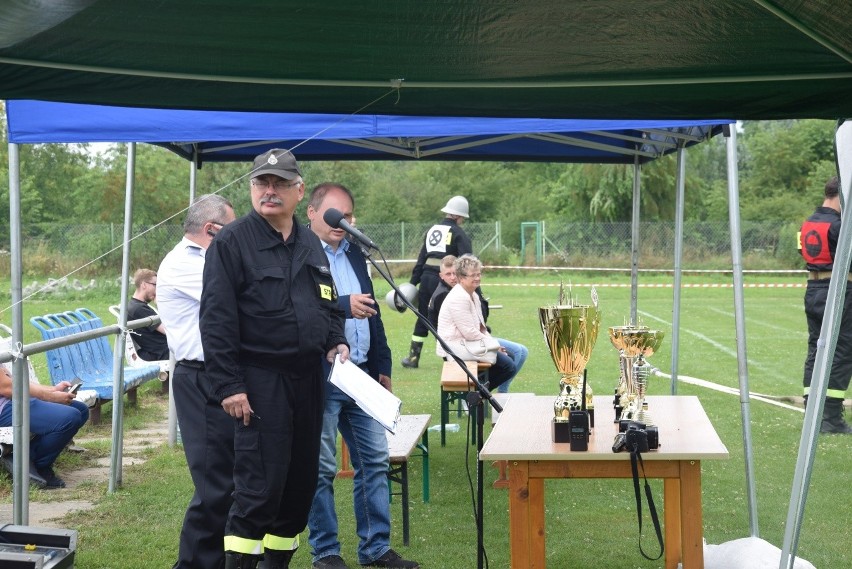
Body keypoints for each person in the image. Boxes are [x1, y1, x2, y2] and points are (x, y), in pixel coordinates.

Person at [199, 149, 349, 569]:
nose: (269, 190)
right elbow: (216, 319)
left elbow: (327, 304)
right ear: (251, 189)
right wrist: (229, 385)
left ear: (299, 191)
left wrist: (336, 339)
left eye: (280, 183)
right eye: (261, 183)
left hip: (309, 380)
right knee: (258, 489)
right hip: (260, 380)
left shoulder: (309, 243)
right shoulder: (233, 241)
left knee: (298, 488)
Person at [305, 183, 420, 569]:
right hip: (320, 376)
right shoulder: (297, 252)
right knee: (321, 468)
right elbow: (296, 305)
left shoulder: (354, 253)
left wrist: (383, 366)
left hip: (363, 376)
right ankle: (326, 553)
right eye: (335, 214)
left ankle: (375, 549)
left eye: (348, 216)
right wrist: (341, 305)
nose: (343, 222)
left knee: (374, 462)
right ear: (311, 212)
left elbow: (373, 312)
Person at [157, 194, 237, 569]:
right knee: (213, 483)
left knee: (230, 478)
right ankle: (192, 564)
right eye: (232, 230)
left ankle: (221, 559)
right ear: (211, 229)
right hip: (199, 378)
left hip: (218, 374)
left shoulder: (208, 257)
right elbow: (234, 301)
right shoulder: (183, 264)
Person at [800, 175, 852, 434]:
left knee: (815, 350)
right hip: (839, 290)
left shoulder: (809, 221)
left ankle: (812, 410)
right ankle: (831, 418)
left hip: (813, 288)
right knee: (842, 351)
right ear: (841, 195)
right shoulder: (839, 225)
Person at [428, 255, 527, 393]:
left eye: (479, 274)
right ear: (461, 278)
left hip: (469, 343)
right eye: (473, 275)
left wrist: (493, 344)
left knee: (510, 356)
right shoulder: (458, 297)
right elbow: (469, 332)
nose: (477, 278)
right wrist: (494, 346)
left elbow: (481, 327)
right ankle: (475, 393)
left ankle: (477, 391)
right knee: (508, 366)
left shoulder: (472, 294)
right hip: (456, 347)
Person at [401, 196, 472, 369]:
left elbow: (421, 259)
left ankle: (413, 358)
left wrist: (412, 284)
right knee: (447, 318)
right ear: (458, 216)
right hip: (446, 281)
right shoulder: (458, 234)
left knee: (423, 316)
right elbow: (467, 262)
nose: (463, 220)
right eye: (463, 217)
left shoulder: (432, 230)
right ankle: (451, 356)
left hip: (426, 278)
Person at [0, 365, 89, 488]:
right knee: (69, 417)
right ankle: (39, 466)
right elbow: (6, 387)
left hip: (11, 401)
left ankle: (28, 455)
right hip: (4, 409)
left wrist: (53, 390)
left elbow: (12, 380)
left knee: (80, 410)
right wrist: (50, 396)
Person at [127, 268, 169, 361]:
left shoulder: (135, 306)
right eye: (155, 285)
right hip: (163, 353)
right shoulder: (139, 309)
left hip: (164, 351)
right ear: (144, 285)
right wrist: (160, 304)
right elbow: (168, 330)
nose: (157, 289)